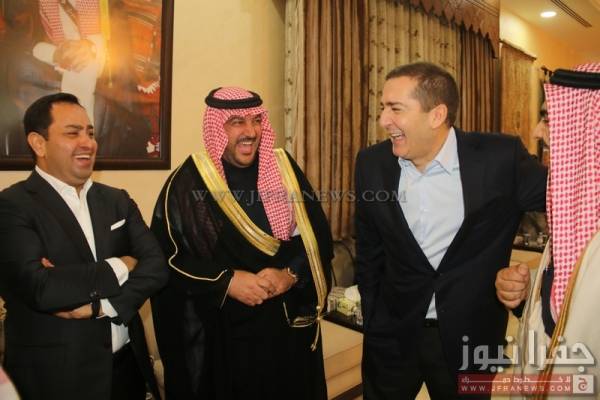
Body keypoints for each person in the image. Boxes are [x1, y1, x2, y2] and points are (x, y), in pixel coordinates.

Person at [354, 62, 547, 399]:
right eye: (383, 107)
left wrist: (536, 282)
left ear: (437, 114)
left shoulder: (500, 159)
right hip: (392, 339)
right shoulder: (372, 163)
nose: (383, 120)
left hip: (471, 340)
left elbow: (573, 204)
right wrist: (373, 320)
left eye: (395, 109)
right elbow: (369, 248)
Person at [150, 87, 333, 400]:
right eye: (236, 122)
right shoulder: (190, 181)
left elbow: (316, 237)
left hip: (287, 330)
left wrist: (290, 274)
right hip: (227, 337)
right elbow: (167, 258)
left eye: (256, 120)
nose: (250, 132)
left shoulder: (284, 168)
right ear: (216, 127)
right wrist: (227, 282)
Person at [0, 92, 167, 400]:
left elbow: (157, 266)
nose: (88, 143)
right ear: (38, 144)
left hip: (127, 372)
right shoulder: (12, 206)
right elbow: (42, 288)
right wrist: (122, 264)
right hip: (56, 379)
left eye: (90, 133)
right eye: (72, 133)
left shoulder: (116, 200)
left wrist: (103, 306)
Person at [495, 63, 600, 399]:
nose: (537, 132)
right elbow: (568, 317)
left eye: (548, 118)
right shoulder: (577, 215)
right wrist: (529, 297)